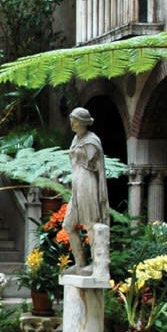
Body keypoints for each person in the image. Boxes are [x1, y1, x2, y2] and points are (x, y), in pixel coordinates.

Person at [64, 107, 109, 273]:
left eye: (75, 120)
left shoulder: (92, 141)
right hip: (77, 185)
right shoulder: (76, 139)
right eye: (71, 120)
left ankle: (96, 264)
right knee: (68, 224)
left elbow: (93, 165)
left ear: (82, 122)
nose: (72, 123)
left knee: (90, 223)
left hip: (87, 183)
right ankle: (80, 262)